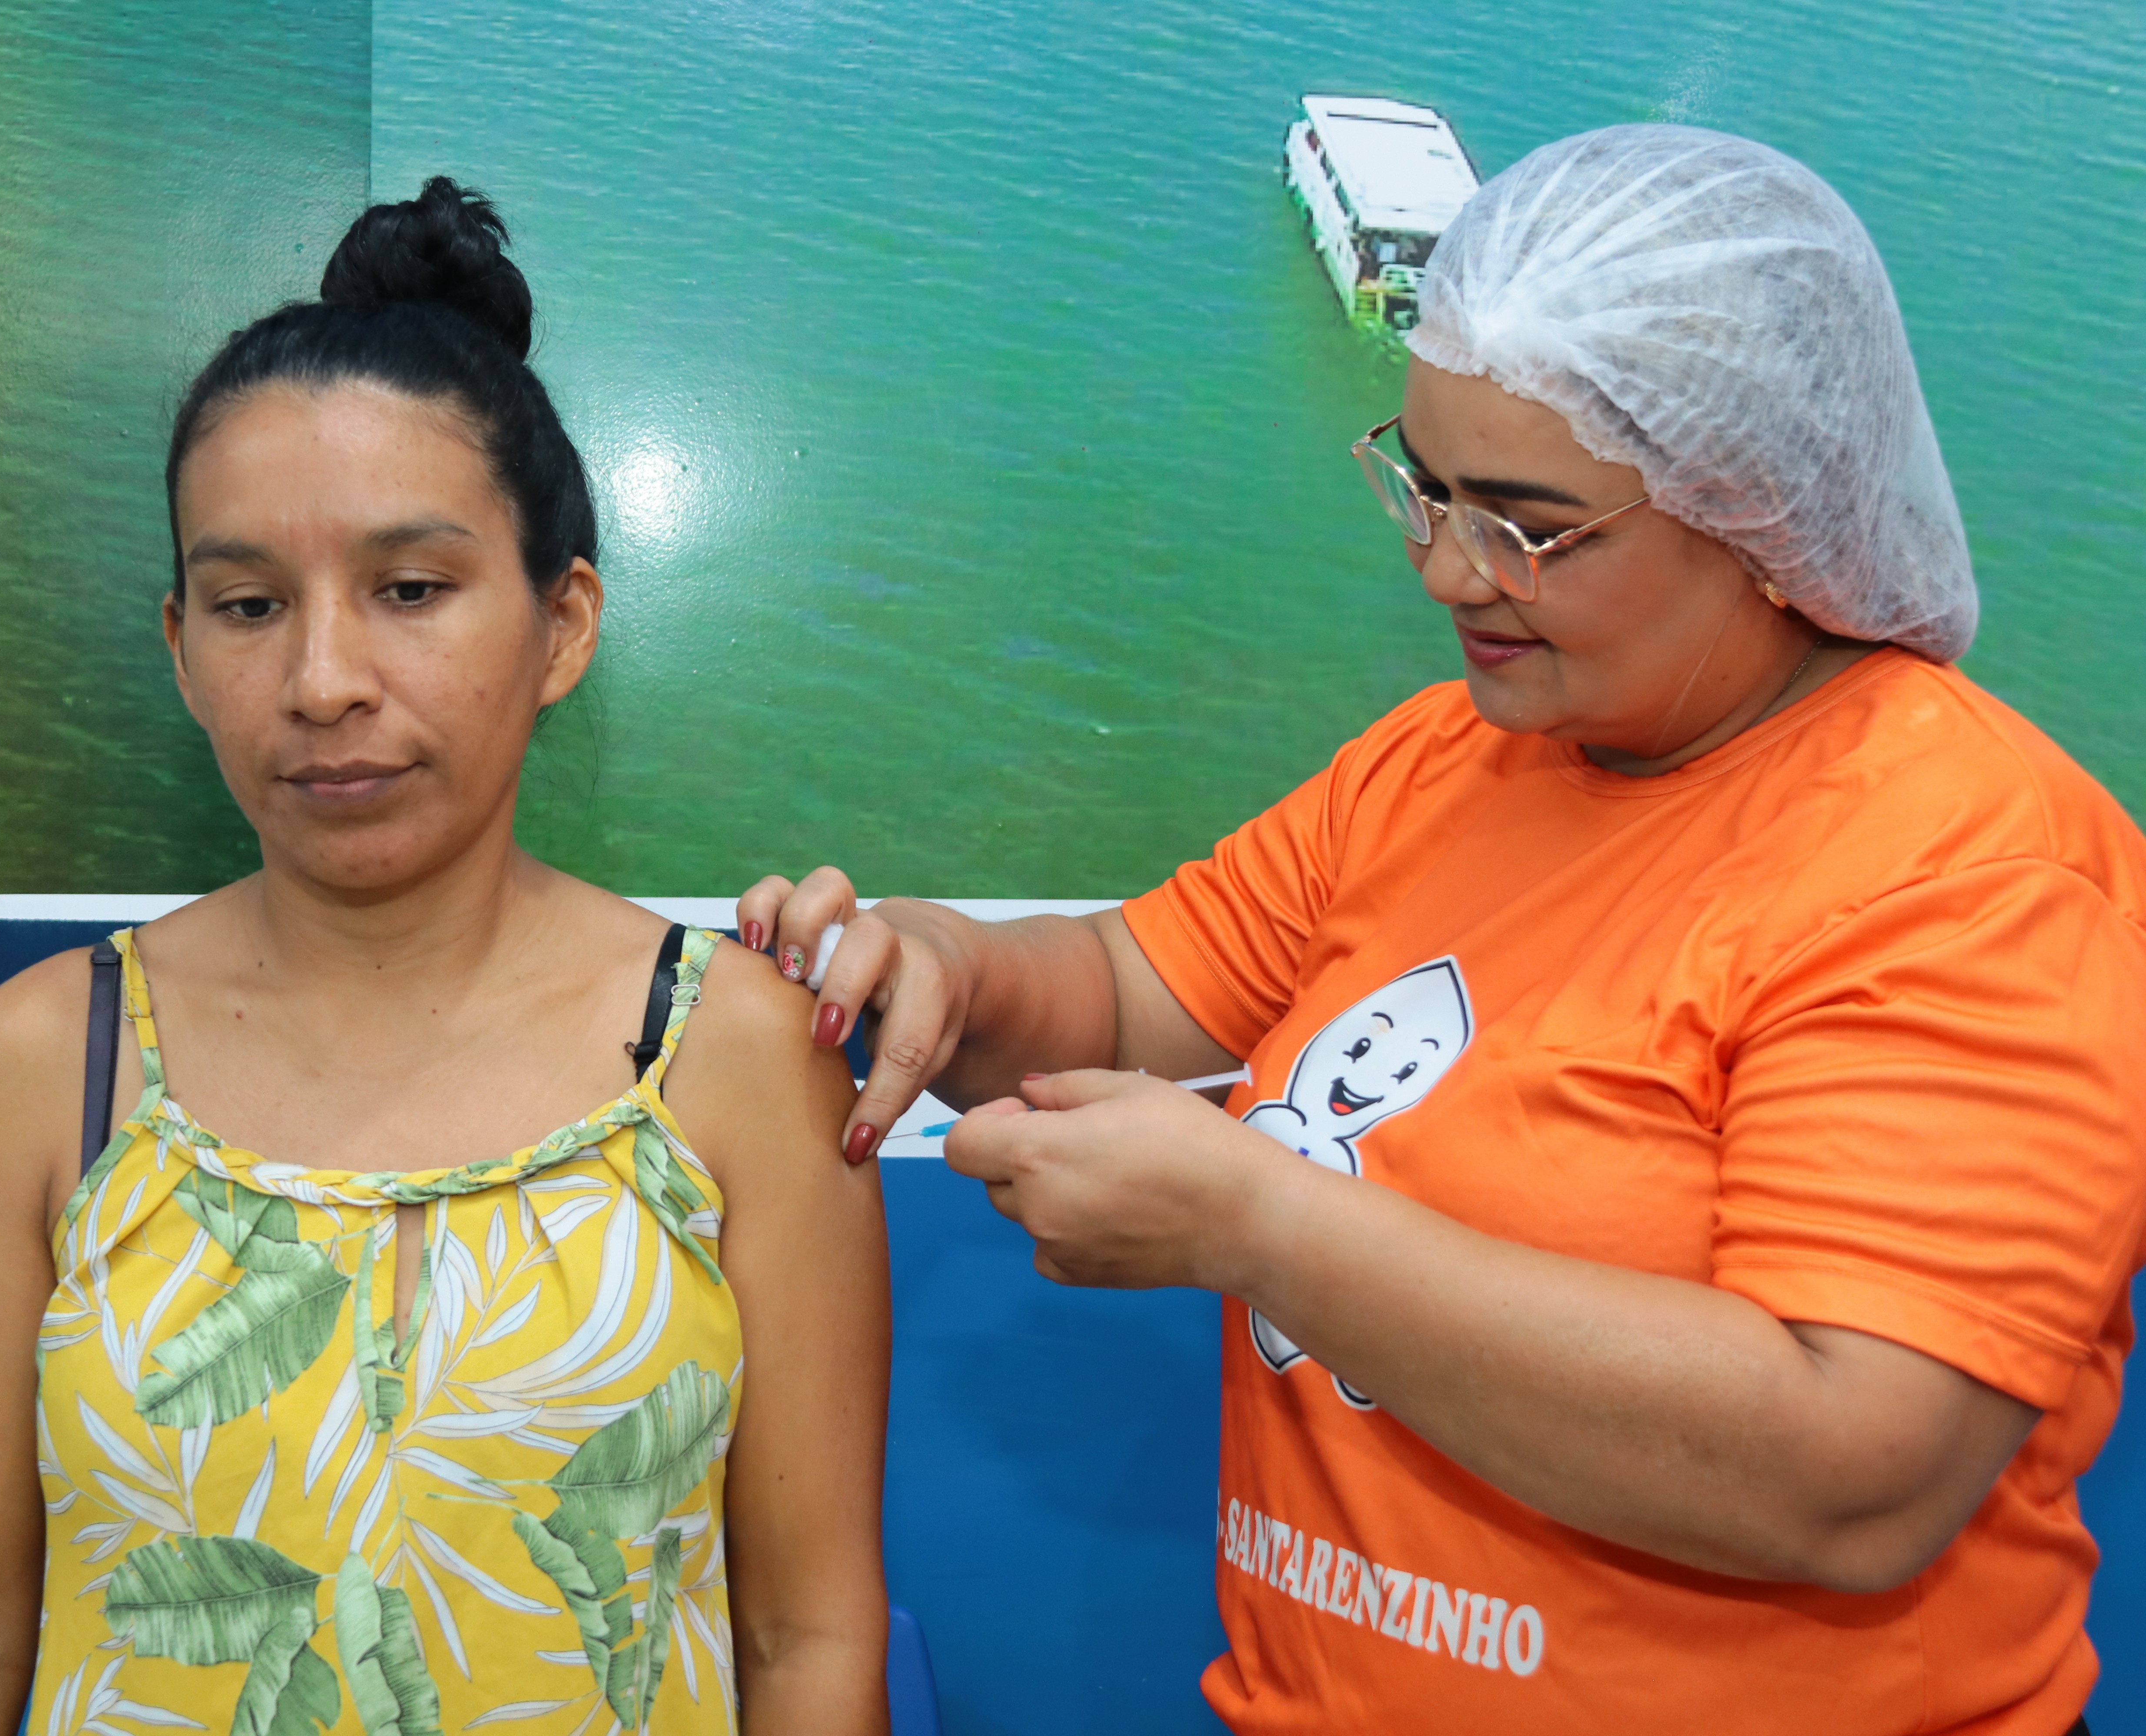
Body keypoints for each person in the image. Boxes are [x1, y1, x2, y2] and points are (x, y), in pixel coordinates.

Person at [745, 126, 2143, 1733]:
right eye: (1426, 486)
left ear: (1759, 513)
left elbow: (1852, 1475)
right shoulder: (1455, 760)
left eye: (1530, 526)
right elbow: (1131, 992)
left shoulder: (1967, 874)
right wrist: (948, 969)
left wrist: (1263, 1231)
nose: (1442, 567)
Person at [0, 179, 891, 1735]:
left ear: (564, 625)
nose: (324, 678)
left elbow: (807, 1638)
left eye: (412, 590)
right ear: (181, 650)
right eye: (250, 604)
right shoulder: (46, 1063)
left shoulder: (740, 1056)